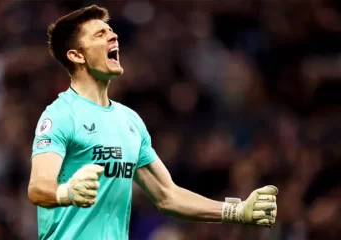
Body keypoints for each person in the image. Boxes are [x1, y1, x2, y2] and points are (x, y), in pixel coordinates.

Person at [27, 5, 278, 240]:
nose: (113, 37)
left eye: (111, 31)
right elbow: (38, 187)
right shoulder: (61, 115)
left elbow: (168, 196)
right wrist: (66, 192)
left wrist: (237, 211)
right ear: (76, 55)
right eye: (100, 34)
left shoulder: (130, 121)